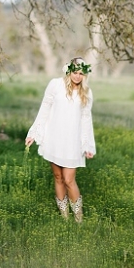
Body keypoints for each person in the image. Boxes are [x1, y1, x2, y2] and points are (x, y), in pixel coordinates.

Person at [25, 57, 96, 223]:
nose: (77, 76)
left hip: (72, 142)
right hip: (54, 138)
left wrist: (88, 145)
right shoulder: (55, 85)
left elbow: (86, 119)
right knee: (58, 178)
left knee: (69, 180)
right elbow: (45, 109)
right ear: (68, 71)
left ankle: (79, 219)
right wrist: (33, 133)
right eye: (75, 72)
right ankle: (64, 218)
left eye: (81, 73)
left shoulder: (86, 92)